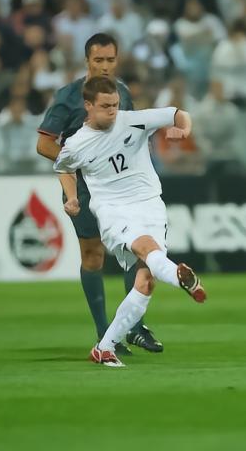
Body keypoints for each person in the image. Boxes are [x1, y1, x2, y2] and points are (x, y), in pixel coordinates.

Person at [54, 76, 207, 367]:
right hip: (113, 209)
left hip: (150, 204)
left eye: (115, 104)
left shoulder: (134, 121)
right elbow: (63, 168)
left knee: (146, 282)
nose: (113, 111)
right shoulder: (77, 143)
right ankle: (179, 276)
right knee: (146, 248)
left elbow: (177, 113)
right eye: (105, 106)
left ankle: (104, 348)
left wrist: (184, 128)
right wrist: (72, 197)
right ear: (88, 106)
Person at [36, 33, 162, 354]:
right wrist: (79, 159)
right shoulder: (68, 96)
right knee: (93, 255)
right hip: (83, 188)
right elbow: (44, 143)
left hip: (121, 186)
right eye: (98, 60)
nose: (105, 66)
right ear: (87, 61)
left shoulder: (122, 93)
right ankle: (104, 331)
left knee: (137, 249)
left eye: (110, 60)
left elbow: (132, 133)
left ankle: (134, 327)